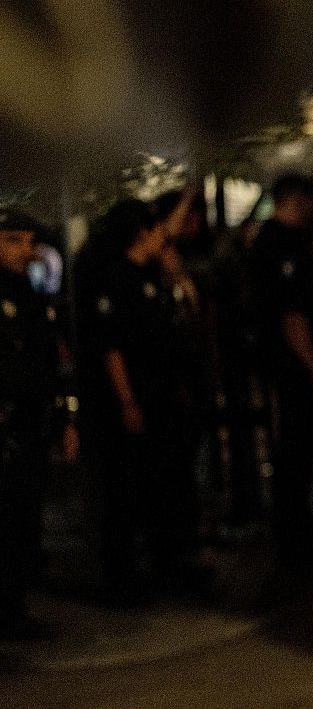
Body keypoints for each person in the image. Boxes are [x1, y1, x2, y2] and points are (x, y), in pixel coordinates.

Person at [77, 198, 206, 599]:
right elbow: (112, 347)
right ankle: (124, 579)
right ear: (139, 233)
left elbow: (183, 320)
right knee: (128, 491)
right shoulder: (118, 279)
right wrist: (128, 401)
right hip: (137, 400)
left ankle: (171, 565)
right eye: (154, 231)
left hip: (163, 396)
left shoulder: (152, 276)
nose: (162, 238)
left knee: (167, 485)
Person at [247, 175, 313, 560]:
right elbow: (291, 315)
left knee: (303, 450)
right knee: (296, 451)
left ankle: (301, 529)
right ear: (298, 200)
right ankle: (294, 538)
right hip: (294, 368)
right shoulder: (277, 244)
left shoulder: (290, 242)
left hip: (299, 365)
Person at [0, 208, 61, 637]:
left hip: (31, 422)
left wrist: (63, 418)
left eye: (27, 242)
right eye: (12, 240)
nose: (23, 250)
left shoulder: (31, 293)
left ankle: (14, 607)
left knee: (24, 518)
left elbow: (48, 363)